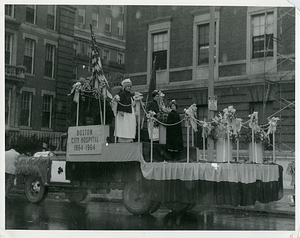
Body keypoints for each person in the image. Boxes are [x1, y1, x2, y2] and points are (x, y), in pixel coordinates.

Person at [114, 78, 136, 142]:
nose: (129, 88)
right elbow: (120, 102)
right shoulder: (122, 94)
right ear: (124, 87)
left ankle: (129, 137)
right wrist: (120, 110)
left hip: (129, 112)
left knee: (129, 125)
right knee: (124, 125)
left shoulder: (129, 94)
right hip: (124, 113)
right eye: (128, 86)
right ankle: (123, 138)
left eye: (130, 86)